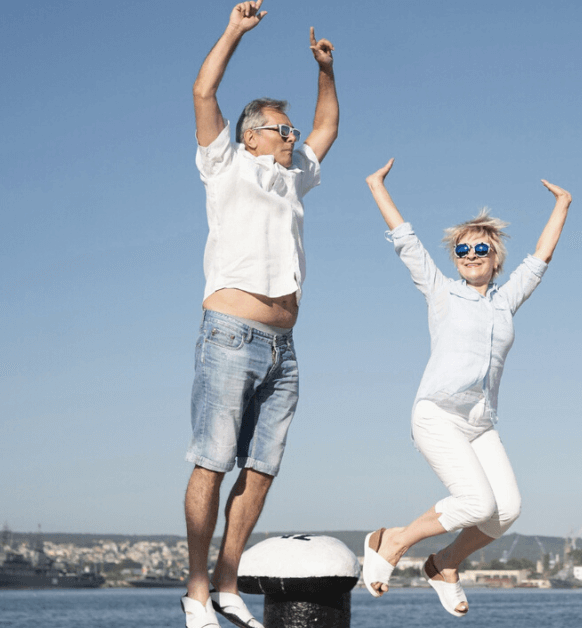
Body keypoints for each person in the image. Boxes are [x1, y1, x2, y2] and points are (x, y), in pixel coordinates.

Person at [182, 2, 338, 627]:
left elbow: (328, 123)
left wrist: (326, 69)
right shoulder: (225, 164)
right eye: (280, 129)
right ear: (251, 135)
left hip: (284, 345)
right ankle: (196, 591)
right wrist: (235, 31)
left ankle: (227, 582)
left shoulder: (293, 176)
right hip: (229, 334)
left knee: (263, 466)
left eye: (290, 131)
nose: (292, 136)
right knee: (212, 460)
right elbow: (203, 89)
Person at [360, 158, 571, 617]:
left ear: (496, 259)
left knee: (507, 509)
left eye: (480, 249)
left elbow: (541, 259)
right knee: (475, 502)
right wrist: (377, 186)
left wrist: (563, 204)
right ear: (455, 259)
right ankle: (390, 541)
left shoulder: (506, 301)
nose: (471, 256)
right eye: (462, 251)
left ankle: (443, 564)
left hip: (480, 420)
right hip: (437, 412)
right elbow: (406, 241)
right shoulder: (440, 291)